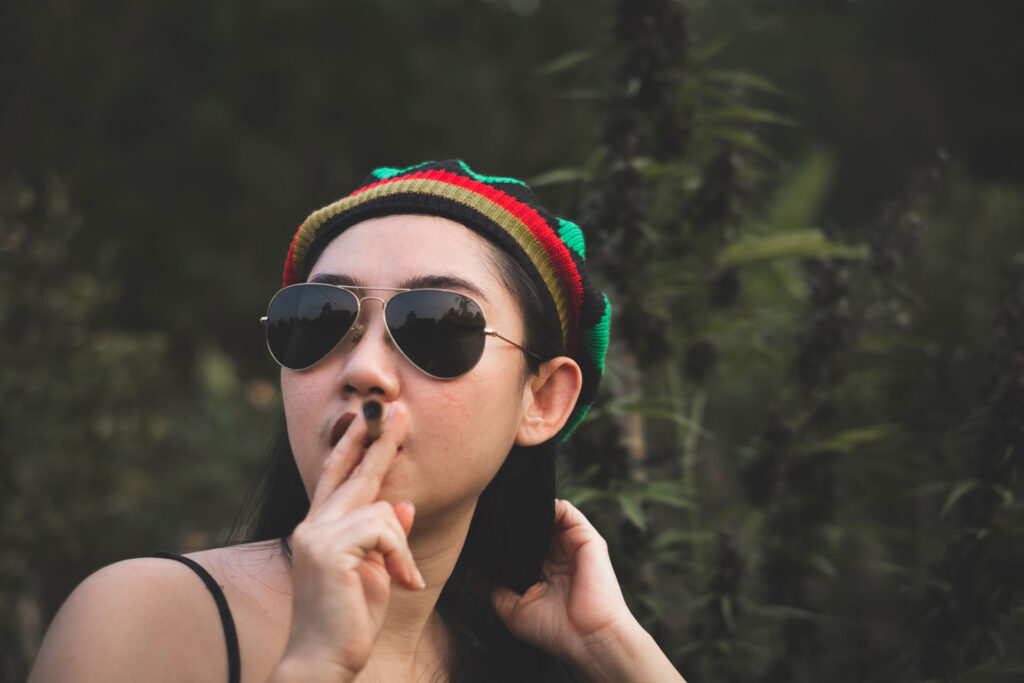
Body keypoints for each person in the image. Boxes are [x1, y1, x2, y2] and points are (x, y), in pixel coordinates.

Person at [29, 160, 686, 682]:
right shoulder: (144, 619)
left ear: (541, 400)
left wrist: (614, 649)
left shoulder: (520, 656)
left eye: (436, 325)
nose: (365, 368)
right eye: (317, 319)